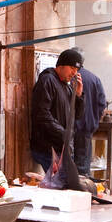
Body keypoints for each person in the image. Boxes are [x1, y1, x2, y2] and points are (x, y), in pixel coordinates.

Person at [30, 47, 85, 179]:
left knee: (65, 184)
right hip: (48, 148)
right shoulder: (47, 81)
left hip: (62, 148)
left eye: (77, 70)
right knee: (60, 185)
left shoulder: (67, 86)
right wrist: (63, 133)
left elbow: (77, 116)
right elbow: (41, 115)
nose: (74, 73)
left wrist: (78, 96)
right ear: (61, 65)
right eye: (72, 67)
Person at [72, 64, 107, 176]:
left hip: (69, 128)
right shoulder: (94, 78)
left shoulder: (69, 76)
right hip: (86, 127)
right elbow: (102, 104)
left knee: (68, 167)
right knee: (82, 168)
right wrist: (94, 120)